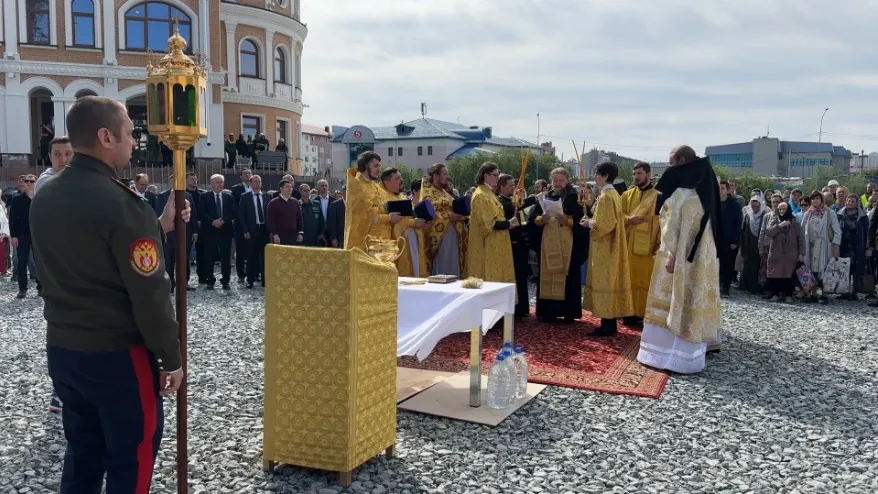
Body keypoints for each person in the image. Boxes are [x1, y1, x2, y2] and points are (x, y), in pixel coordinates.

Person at [29, 96, 188, 492]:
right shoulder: (123, 203)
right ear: (105, 136)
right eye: (129, 134)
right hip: (118, 356)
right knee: (130, 459)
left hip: (64, 349)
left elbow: (89, 248)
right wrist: (170, 356)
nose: (135, 143)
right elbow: (150, 296)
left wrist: (155, 227)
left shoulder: (45, 194)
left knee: (82, 452)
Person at [637, 145, 722, 374]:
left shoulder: (683, 193)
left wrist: (673, 255)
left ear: (682, 162)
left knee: (674, 301)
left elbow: (671, 226)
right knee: (693, 301)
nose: (670, 168)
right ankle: (692, 353)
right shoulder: (705, 188)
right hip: (702, 258)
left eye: (672, 163)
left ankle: (667, 355)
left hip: (677, 256)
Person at [581, 162, 633, 336]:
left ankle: (607, 325)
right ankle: (608, 323)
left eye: (597, 174)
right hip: (612, 244)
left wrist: (588, 223)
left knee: (604, 282)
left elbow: (605, 224)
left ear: (604, 176)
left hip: (605, 246)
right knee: (609, 282)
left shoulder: (605, 197)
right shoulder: (614, 193)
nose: (596, 177)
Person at [528, 168, 586, 323]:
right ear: (551, 181)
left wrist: (568, 221)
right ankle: (548, 312)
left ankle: (568, 313)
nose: (558, 184)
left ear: (567, 180)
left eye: (561, 180)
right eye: (555, 181)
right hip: (548, 244)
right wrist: (541, 219)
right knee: (547, 274)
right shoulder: (545, 197)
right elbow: (532, 219)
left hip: (569, 246)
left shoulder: (576, 197)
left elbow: (583, 221)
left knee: (568, 277)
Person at [620, 162, 660, 326]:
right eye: (634, 174)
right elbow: (618, 216)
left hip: (649, 244)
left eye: (639, 173)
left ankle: (643, 313)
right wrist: (628, 219)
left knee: (645, 279)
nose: (636, 176)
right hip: (628, 244)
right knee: (628, 278)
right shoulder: (627, 195)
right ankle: (627, 311)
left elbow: (663, 220)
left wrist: (658, 243)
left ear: (648, 175)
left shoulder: (659, 196)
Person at [466, 162, 516, 284]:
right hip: (486, 246)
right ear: (486, 175)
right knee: (489, 279)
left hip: (497, 243)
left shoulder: (489, 193)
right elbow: (488, 225)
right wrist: (509, 224)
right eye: (495, 174)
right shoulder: (481, 195)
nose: (498, 177)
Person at [344, 151, 401, 251]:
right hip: (367, 243)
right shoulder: (357, 186)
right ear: (365, 166)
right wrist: (389, 218)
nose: (379, 170)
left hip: (382, 240)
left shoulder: (374, 185)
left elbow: (383, 207)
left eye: (379, 166)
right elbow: (366, 217)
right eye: (375, 166)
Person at [420, 163, 468, 276]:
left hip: (453, 232)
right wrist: (449, 216)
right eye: (445, 174)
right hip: (440, 236)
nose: (447, 176)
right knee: (443, 261)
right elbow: (430, 213)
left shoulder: (443, 191)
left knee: (452, 261)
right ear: (436, 176)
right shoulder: (428, 191)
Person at [802, 190, 841, 304]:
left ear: (822, 199)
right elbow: (802, 228)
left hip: (824, 245)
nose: (815, 201)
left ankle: (824, 294)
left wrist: (835, 246)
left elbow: (837, 231)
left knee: (824, 269)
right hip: (811, 245)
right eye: (813, 199)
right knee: (810, 270)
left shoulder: (830, 213)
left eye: (817, 198)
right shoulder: (808, 213)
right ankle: (813, 294)